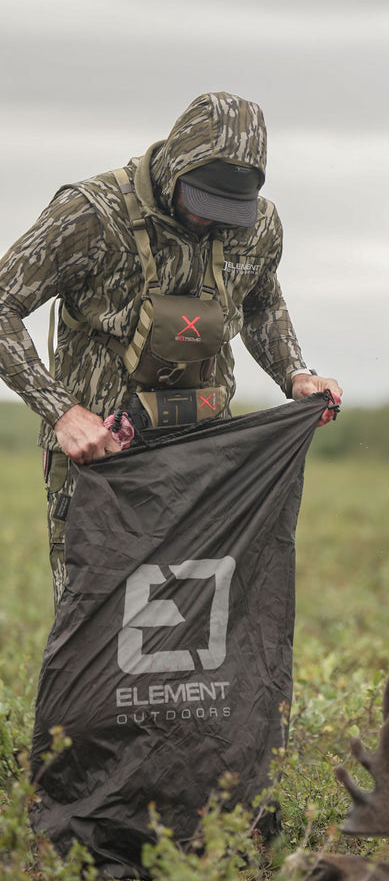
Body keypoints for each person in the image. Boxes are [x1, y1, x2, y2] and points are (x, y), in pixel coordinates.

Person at [0, 91, 341, 607]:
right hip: (102, 460)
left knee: (201, 614)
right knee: (96, 618)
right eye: (202, 202)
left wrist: (295, 373)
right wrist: (63, 413)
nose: (211, 221)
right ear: (173, 165)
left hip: (204, 450)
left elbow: (262, 304)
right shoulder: (91, 213)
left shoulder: (259, 226)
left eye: (230, 209)